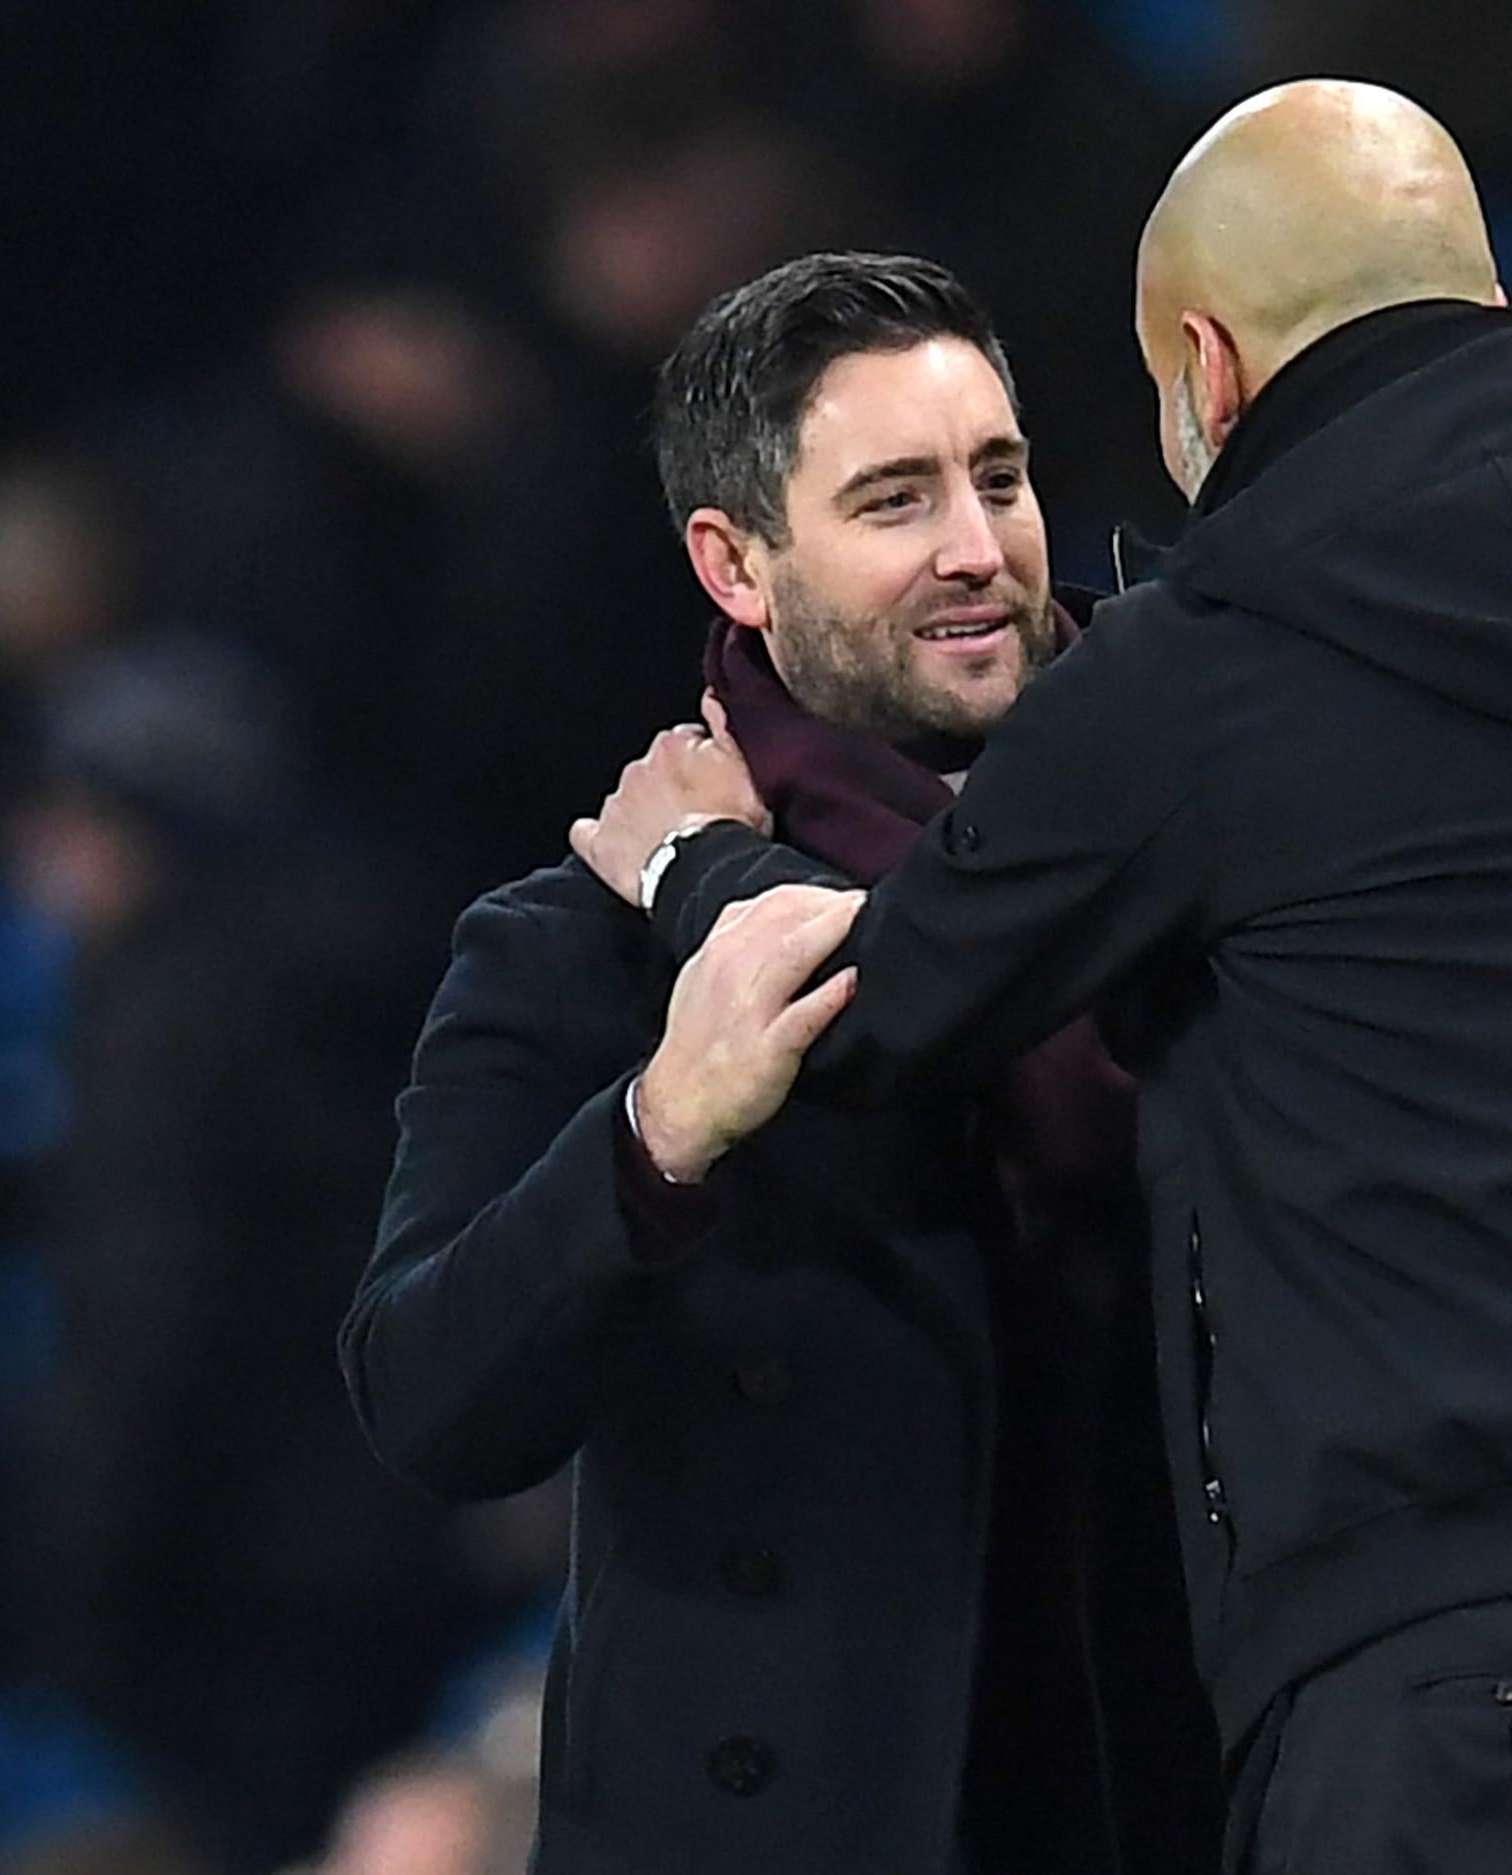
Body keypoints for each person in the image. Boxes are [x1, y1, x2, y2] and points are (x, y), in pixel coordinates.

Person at [596, 81, 1512, 1874]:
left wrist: (694, 863)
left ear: (1206, 367)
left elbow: (881, 1016)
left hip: (1450, 1688)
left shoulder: (1209, 668)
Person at [340, 253, 1218, 1875]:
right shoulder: (582, 942)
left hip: (1162, 1794)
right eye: (894, 501)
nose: (979, 550)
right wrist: (660, 1133)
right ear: (735, 565)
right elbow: (431, 1402)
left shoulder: (1212, 844)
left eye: (1000, 478)